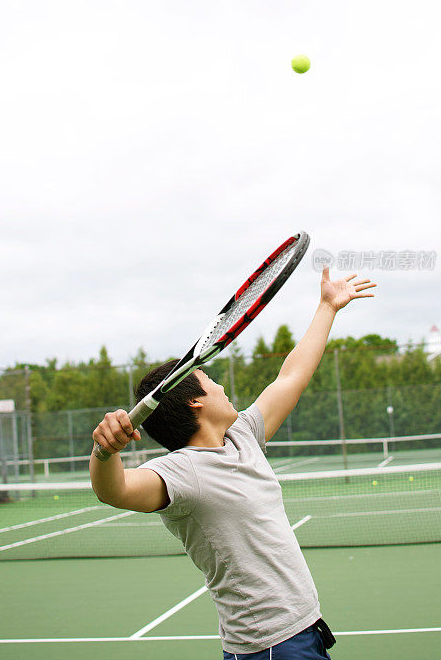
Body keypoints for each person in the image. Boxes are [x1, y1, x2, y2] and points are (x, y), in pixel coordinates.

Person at [90, 267, 376, 659]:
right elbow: (115, 490)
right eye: (210, 380)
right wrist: (104, 453)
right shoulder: (183, 472)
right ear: (196, 401)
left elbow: (291, 377)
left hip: (304, 628)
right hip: (270, 647)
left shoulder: (242, 436)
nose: (222, 386)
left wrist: (327, 307)